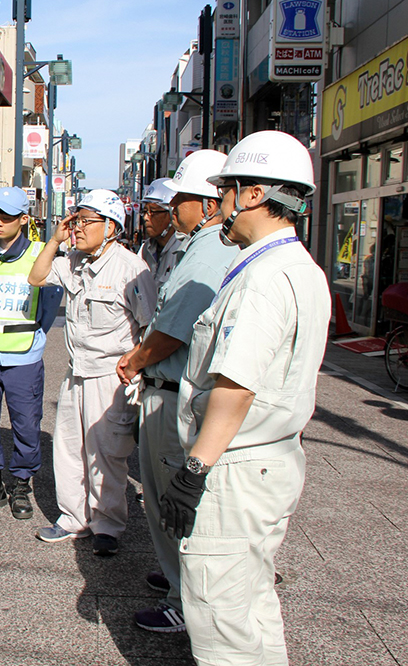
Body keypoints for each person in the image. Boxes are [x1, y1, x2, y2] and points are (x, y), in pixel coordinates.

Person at [159, 131, 329, 664]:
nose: (220, 209)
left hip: (233, 468)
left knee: (221, 621)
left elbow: (235, 385)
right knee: (253, 607)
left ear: (254, 195)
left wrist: (192, 471)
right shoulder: (303, 269)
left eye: (227, 192)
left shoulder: (262, 277)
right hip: (271, 462)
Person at [115, 149, 238, 633]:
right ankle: (174, 581)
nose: (177, 205)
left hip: (173, 389)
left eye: (184, 198)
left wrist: (136, 358)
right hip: (166, 386)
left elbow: (174, 327)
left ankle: (184, 602)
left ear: (207, 204)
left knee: (170, 494)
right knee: (161, 493)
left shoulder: (207, 249)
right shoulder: (194, 246)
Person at [28, 189, 156, 555]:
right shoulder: (72, 261)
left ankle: (107, 525)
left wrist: (136, 365)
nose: (78, 227)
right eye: (76, 219)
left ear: (111, 226)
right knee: (68, 448)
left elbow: (149, 327)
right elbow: (36, 278)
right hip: (76, 372)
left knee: (107, 453)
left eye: (87, 220)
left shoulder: (132, 268)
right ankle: (72, 518)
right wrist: (55, 239)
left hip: (111, 377)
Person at [0, 186, 62, 520]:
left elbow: (49, 307)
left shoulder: (39, 254)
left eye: (6, 216)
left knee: (26, 423)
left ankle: (21, 486)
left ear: (24, 218)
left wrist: (32, 336)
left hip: (23, 354)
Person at [137, 177, 183, 290]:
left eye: (153, 211)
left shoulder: (182, 250)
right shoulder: (145, 250)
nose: (146, 217)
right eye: (145, 211)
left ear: (172, 214)